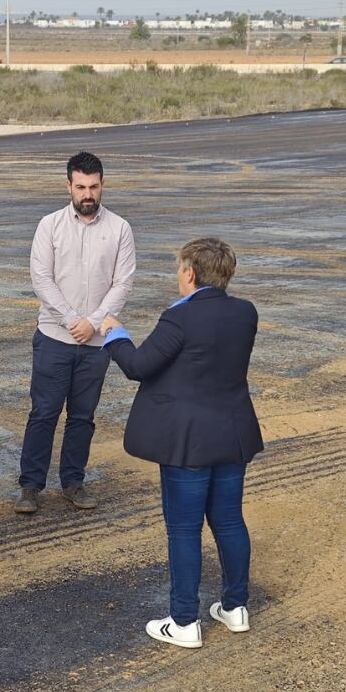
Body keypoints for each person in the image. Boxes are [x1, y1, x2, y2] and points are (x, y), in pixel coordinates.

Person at [99, 238, 263, 649]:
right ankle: (235, 606)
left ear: (190, 273)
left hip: (188, 440)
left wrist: (113, 333)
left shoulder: (181, 318)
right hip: (231, 432)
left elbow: (138, 366)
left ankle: (184, 619)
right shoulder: (245, 313)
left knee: (184, 529)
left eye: (179, 270)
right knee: (228, 520)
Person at [15, 151, 136, 514]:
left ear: (103, 185)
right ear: (68, 185)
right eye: (81, 186)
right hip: (54, 337)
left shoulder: (120, 229)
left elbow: (123, 283)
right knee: (44, 413)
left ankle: (73, 483)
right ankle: (30, 487)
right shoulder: (49, 226)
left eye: (94, 187)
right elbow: (42, 279)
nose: (88, 194)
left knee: (83, 416)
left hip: (96, 343)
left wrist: (94, 323)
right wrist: (72, 320)